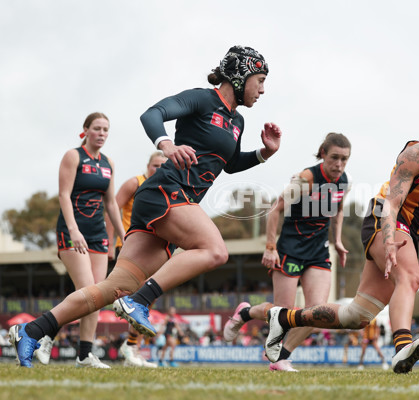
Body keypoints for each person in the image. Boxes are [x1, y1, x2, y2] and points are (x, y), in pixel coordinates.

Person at [8, 45, 281, 368]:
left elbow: (231, 163)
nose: (262, 89)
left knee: (112, 287)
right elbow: (152, 114)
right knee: (216, 250)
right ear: (240, 76)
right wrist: (166, 144)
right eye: (260, 80)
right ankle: (140, 301)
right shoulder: (202, 99)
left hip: (172, 202)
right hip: (165, 192)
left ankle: (32, 330)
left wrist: (265, 153)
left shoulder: (238, 121)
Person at [263, 101, 419, 374]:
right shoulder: (417, 153)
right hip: (383, 218)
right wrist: (390, 238)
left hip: (411, 233)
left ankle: (283, 317)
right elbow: (392, 205)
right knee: (410, 276)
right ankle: (402, 346)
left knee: (357, 315)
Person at [222, 132, 351, 372]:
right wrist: (270, 247)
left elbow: (340, 209)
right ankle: (246, 312)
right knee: (284, 313)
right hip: (290, 250)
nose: (339, 164)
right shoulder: (306, 179)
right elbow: (275, 210)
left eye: (345, 159)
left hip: (318, 251)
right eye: (335, 158)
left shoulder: (345, 181)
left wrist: (339, 240)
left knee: (317, 313)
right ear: (323, 154)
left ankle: (281, 357)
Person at [10, 112, 127, 368]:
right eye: (97, 128)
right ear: (85, 130)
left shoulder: (108, 163)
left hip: (98, 235)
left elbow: (111, 203)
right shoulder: (73, 156)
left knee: (98, 294)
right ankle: (40, 334)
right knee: (87, 289)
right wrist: (74, 230)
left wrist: (122, 235)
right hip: (73, 231)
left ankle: (84, 354)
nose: (102, 133)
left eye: (106, 129)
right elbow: (64, 195)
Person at [106, 151, 168, 368]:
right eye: (155, 165)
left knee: (145, 299)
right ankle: (129, 347)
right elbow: (112, 207)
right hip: (129, 245)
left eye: (163, 166)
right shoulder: (135, 183)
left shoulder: (165, 186)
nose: (158, 169)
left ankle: (132, 347)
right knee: (127, 295)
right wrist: (109, 240)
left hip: (152, 247)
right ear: (147, 165)